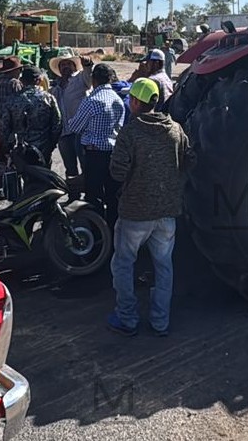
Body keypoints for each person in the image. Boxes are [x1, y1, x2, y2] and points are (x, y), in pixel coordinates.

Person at [106, 78, 193, 337]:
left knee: (123, 264)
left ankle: (127, 318)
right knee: (164, 266)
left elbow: (117, 173)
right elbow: (191, 160)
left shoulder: (130, 133)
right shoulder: (176, 129)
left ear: (134, 102)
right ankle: (160, 322)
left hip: (135, 212)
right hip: (167, 214)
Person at [67, 63, 125, 225]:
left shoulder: (91, 100)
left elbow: (75, 127)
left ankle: (96, 230)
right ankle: (113, 228)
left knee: (94, 195)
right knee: (112, 195)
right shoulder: (118, 100)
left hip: (94, 155)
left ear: (94, 80)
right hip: (112, 154)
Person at [0, 66, 62, 161]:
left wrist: (7, 145)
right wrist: (52, 143)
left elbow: (4, 126)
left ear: (22, 80)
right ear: (39, 80)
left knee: (21, 173)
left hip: (19, 149)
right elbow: (57, 123)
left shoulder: (12, 100)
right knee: (43, 174)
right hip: (43, 147)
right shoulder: (48, 98)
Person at [49, 55, 90, 178]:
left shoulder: (80, 80)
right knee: (69, 167)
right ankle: (73, 193)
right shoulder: (55, 88)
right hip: (64, 133)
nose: (65, 67)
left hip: (81, 132)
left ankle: (89, 193)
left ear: (74, 66)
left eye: (68, 64)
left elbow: (89, 76)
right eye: (63, 65)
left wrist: (87, 65)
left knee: (86, 165)